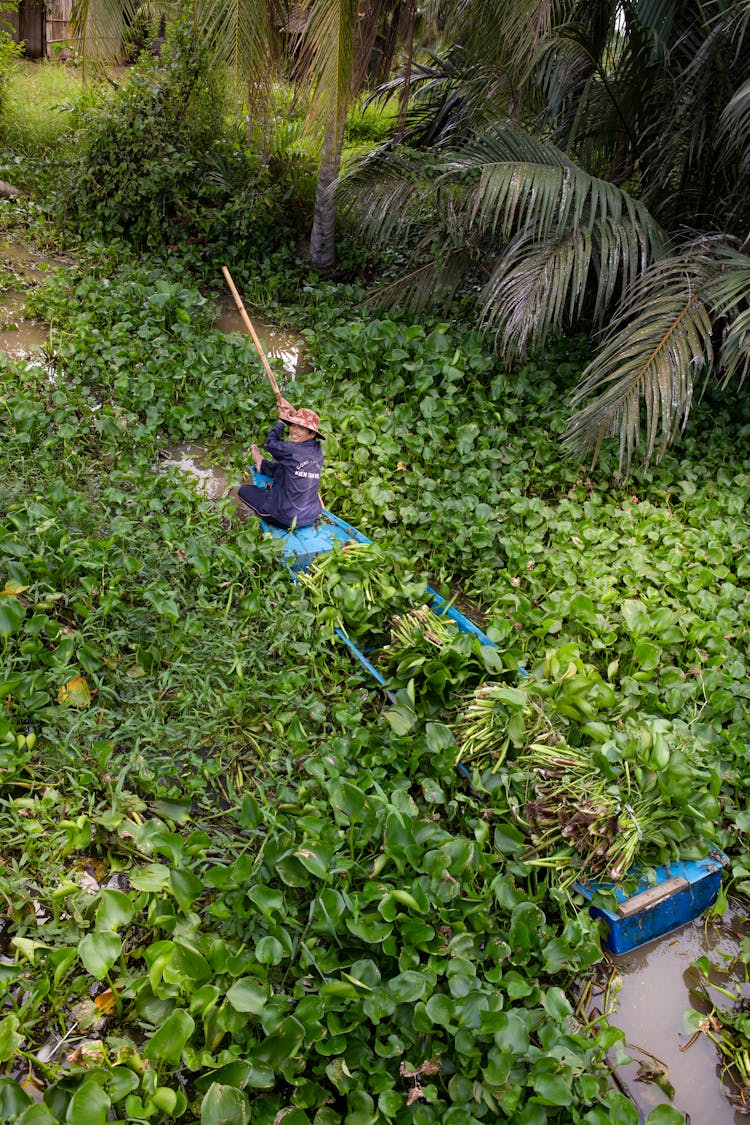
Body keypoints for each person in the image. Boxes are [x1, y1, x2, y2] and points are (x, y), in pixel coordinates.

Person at [237, 396, 324, 529]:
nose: (294, 431)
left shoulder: (291, 449)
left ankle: (261, 464)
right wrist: (291, 410)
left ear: (312, 434)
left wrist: (281, 422)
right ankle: (263, 464)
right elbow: (303, 429)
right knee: (289, 467)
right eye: (292, 425)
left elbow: (270, 443)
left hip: (285, 519)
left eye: (300, 428)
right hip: (309, 517)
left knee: (244, 490)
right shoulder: (318, 450)